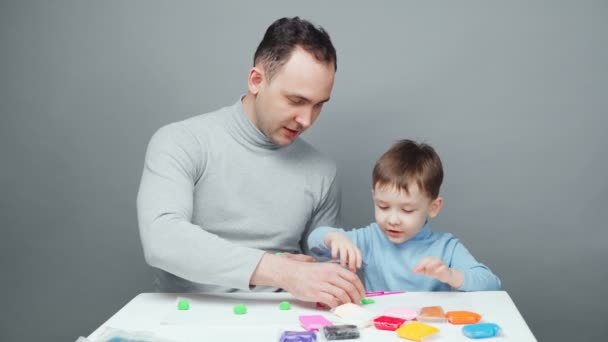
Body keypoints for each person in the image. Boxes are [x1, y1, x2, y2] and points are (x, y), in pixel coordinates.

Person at [136, 17, 364, 307]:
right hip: (186, 320)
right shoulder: (180, 141)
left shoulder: (322, 172)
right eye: (296, 100)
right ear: (256, 80)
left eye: (319, 104)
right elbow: (163, 239)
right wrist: (281, 270)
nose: (307, 120)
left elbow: (320, 272)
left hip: (283, 323)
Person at [307, 139, 502, 292]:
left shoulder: (446, 247)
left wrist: (450, 275)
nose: (392, 219)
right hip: (382, 329)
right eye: (383, 206)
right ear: (374, 197)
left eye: (407, 210)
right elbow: (315, 242)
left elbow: (491, 283)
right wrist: (334, 237)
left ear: (433, 207)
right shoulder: (370, 239)